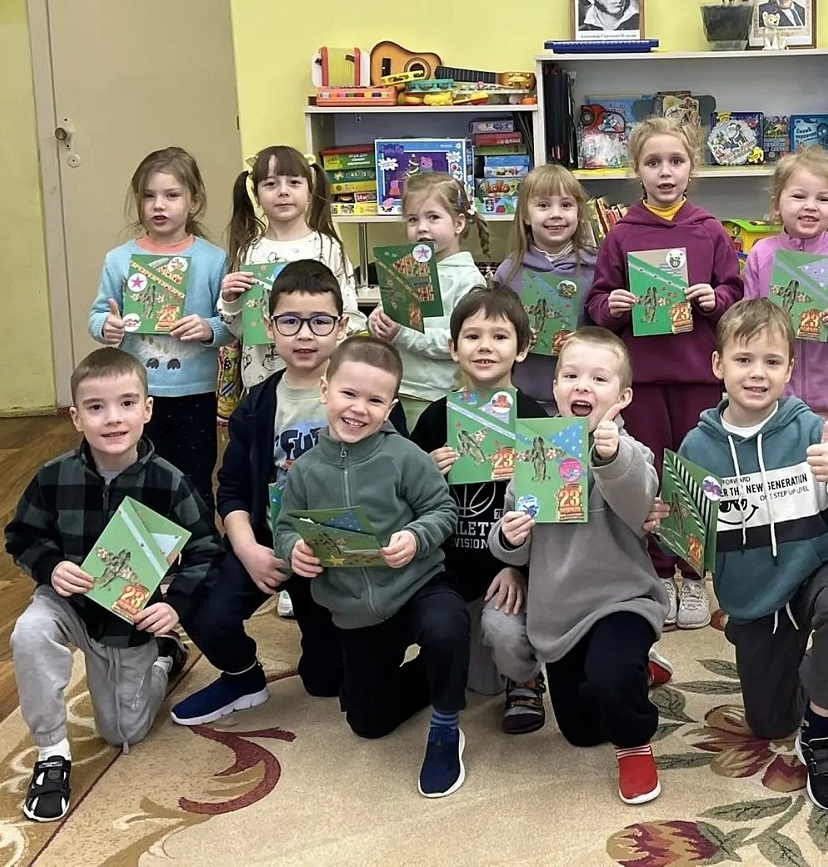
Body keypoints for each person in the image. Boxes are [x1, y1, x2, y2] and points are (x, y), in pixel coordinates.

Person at [676, 299, 828, 811]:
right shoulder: (696, 448)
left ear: (790, 370)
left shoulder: (814, 430)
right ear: (718, 365)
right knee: (770, 724)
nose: (757, 373)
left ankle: (819, 730)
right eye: (744, 359)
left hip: (818, 566)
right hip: (754, 596)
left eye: (772, 361)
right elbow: (691, 546)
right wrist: (665, 522)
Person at [5, 347, 220, 822]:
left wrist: (176, 606)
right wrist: (51, 567)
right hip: (68, 602)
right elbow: (21, 535)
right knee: (30, 633)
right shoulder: (53, 476)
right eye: (96, 407)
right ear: (76, 417)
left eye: (127, 403)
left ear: (147, 409)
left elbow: (208, 551)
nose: (113, 418)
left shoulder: (170, 483)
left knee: (123, 731)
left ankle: (165, 657)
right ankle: (51, 753)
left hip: (129, 618)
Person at [273, 336, 470, 798]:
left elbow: (443, 510)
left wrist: (415, 537)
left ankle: (446, 726)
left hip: (418, 585)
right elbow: (284, 525)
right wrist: (293, 549)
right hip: (355, 610)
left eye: (375, 400)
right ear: (325, 389)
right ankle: (434, 675)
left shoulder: (405, 456)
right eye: (349, 393)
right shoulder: (304, 470)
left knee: (446, 625)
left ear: (391, 407)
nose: (359, 409)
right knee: (368, 722)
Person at [489, 328, 668, 804]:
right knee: (582, 732)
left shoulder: (632, 452)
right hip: (560, 611)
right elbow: (513, 547)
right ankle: (636, 670)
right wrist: (509, 536)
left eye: (599, 378)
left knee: (613, 682)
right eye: (570, 375)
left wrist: (611, 456)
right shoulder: (536, 452)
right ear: (554, 387)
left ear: (623, 397)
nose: (582, 385)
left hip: (622, 600)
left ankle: (635, 744)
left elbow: (640, 504)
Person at [170, 259, 348, 725]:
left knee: (326, 681)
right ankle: (242, 675)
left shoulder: (359, 396)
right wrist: (248, 550)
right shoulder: (257, 404)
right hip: (269, 541)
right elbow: (230, 487)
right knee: (201, 604)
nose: (304, 334)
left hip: (334, 551)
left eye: (320, 321)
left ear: (341, 326)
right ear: (269, 327)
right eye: (290, 321)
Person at [585, 116, 743, 631]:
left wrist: (714, 298)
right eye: (653, 162)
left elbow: (735, 293)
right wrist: (613, 306)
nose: (665, 171)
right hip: (644, 380)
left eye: (676, 161)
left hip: (698, 375)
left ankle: (694, 574)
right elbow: (596, 302)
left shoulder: (710, 230)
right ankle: (657, 573)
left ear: (692, 167)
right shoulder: (621, 233)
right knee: (649, 474)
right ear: (637, 170)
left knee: (694, 476)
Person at [408, 285, 549, 733]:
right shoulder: (435, 418)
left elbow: (550, 514)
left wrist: (519, 568)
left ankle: (526, 678)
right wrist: (427, 472)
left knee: (505, 641)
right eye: (472, 336)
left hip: (510, 573)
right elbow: (406, 502)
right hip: (450, 570)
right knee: (475, 681)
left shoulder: (537, 420)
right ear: (454, 348)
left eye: (499, 336)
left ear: (522, 349)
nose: (485, 346)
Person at [88, 146, 233, 502]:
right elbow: (97, 315)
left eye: (171, 195)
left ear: (193, 202)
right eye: (149, 196)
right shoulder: (119, 259)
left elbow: (231, 323)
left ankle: (196, 537)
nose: (158, 205)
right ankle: (138, 536)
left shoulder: (213, 259)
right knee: (137, 480)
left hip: (195, 394)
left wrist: (209, 329)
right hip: (134, 394)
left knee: (194, 482)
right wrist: (108, 327)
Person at [742, 146, 828, 435]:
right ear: (777, 204)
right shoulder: (761, 254)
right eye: (798, 196)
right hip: (773, 396)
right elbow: (746, 318)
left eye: (823, 198)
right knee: (777, 462)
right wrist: (762, 321)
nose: (811, 206)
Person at [219, 144, 365, 393]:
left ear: (309, 193)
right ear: (256, 195)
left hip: (320, 381)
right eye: (271, 184)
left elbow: (351, 315)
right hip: (261, 382)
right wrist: (230, 301)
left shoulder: (328, 247)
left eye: (294, 182)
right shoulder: (248, 251)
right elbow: (241, 329)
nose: (283, 191)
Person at [368, 171, 488, 427]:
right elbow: (386, 317)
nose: (422, 227)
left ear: (458, 224)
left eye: (433, 217)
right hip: (392, 388)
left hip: (433, 395)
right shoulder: (407, 267)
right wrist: (377, 322)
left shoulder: (468, 280)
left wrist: (402, 334)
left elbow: (459, 342)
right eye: (413, 219)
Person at [493, 163, 598, 413]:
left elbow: (610, 333)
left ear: (579, 212)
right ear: (526, 215)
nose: (556, 214)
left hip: (582, 400)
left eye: (566, 205)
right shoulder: (508, 273)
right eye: (543, 205)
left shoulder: (597, 269)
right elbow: (493, 333)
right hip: (522, 399)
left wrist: (583, 340)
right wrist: (516, 335)